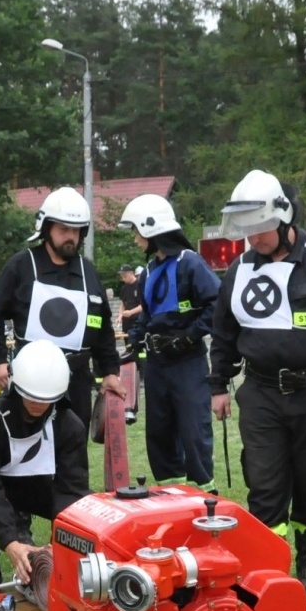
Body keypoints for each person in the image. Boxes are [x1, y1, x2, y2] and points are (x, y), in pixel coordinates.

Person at [207, 169, 306, 595]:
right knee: (264, 480)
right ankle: (268, 559)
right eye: (247, 231)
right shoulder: (239, 270)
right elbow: (224, 330)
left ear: (284, 218)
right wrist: (218, 383)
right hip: (260, 392)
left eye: (261, 229)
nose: (254, 239)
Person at [0, 187, 126, 475]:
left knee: (72, 449)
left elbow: (102, 327)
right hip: (30, 379)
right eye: (63, 229)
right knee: (22, 449)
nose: (71, 236)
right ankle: (17, 512)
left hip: (76, 379)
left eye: (77, 230)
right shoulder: (22, 266)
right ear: (46, 228)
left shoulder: (88, 272)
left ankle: (70, 505)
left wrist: (109, 372)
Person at [0, 340, 89, 587]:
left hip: (40, 488)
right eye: (31, 396)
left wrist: (58, 543)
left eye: (46, 399)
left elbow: (71, 490)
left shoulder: (70, 426)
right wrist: (10, 542)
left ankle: (61, 575)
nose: (37, 404)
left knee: (83, 516)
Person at [118, 194, 219, 488]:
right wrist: (134, 342)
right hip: (157, 364)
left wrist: (188, 337)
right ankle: (170, 490)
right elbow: (148, 315)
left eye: (137, 231)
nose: (136, 239)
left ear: (151, 229)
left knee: (193, 429)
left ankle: (204, 494)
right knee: (159, 431)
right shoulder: (149, 271)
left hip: (188, 362)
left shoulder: (191, 264)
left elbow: (217, 306)